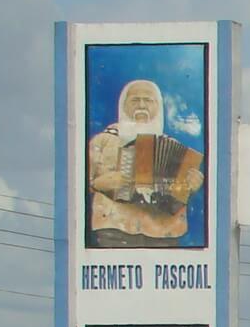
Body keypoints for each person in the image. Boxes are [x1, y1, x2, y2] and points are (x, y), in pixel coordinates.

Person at [88, 79, 205, 246]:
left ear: (158, 107)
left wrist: (190, 187)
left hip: (164, 235)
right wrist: (97, 184)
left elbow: (177, 197)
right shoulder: (103, 141)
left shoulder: (174, 149)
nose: (141, 105)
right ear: (123, 105)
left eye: (148, 100)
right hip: (115, 231)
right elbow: (75, 186)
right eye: (135, 100)